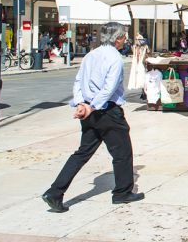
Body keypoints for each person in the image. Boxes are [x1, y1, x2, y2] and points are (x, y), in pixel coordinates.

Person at [42, 22, 143, 213]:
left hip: (89, 110)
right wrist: (93, 106)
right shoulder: (115, 58)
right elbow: (109, 87)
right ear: (118, 38)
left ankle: (55, 192)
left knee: (82, 153)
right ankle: (122, 192)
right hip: (107, 111)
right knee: (122, 152)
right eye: (124, 37)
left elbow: (78, 81)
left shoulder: (91, 55)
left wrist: (82, 103)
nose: (125, 40)